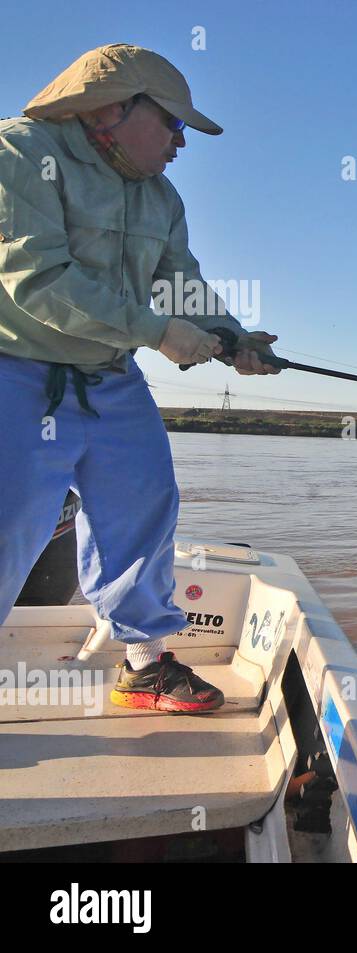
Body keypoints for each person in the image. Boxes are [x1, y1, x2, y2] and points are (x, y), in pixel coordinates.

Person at [0, 44, 280, 712]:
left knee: (145, 504)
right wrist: (156, 332)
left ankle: (145, 662)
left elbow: (181, 284)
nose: (182, 142)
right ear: (111, 106)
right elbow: (36, 283)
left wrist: (232, 338)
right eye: (174, 124)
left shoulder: (160, 196)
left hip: (111, 378)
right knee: (9, 518)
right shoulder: (18, 153)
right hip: (18, 368)